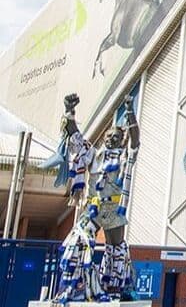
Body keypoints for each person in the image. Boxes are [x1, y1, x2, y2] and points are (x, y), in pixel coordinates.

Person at [51, 93, 140, 303]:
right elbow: (77, 139)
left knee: (116, 248)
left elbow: (136, 140)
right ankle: (75, 285)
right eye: (108, 136)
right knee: (78, 240)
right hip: (94, 206)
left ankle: (115, 285)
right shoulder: (94, 155)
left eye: (115, 137)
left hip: (114, 209)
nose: (110, 139)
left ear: (122, 140)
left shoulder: (124, 157)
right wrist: (69, 111)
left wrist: (129, 111)